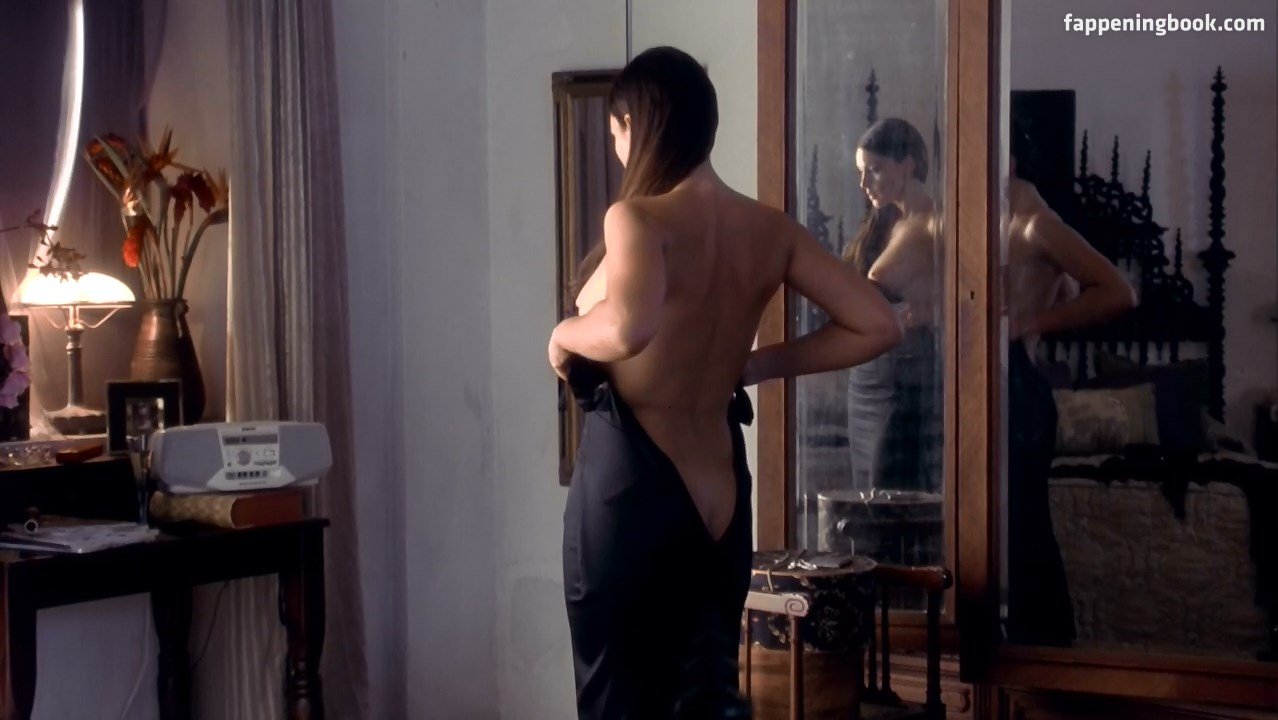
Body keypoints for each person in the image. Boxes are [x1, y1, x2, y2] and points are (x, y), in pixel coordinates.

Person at [548, 46, 901, 719]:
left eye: (617, 134)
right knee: (705, 701)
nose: (618, 151)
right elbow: (878, 324)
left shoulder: (636, 218)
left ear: (633, 124)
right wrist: (757, 366)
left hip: (633, 490)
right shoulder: (770, 229)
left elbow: (627, 329)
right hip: (721, 496)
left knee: (618, 701)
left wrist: (563, 336)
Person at [1003, 121, 1136, 646]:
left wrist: (1028, 323)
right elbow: (1071, 289)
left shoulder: (1037, 224)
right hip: (1000, 383)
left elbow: (1118, 292)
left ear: (1007, 162)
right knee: (1005, 531)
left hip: (1019, 388)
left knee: (1025, 532)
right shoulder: (999, 220)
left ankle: (1045, 659)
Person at [843, 118, 942, 496]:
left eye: (875, 170)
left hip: (905, 379)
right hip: (866, 379)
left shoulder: (935, 224)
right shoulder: (885, 225)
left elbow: (975, 293)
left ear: (908, 165)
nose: (864, 183)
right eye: (861, 171)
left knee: (890, 493)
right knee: (866, 493)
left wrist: (935, 311)